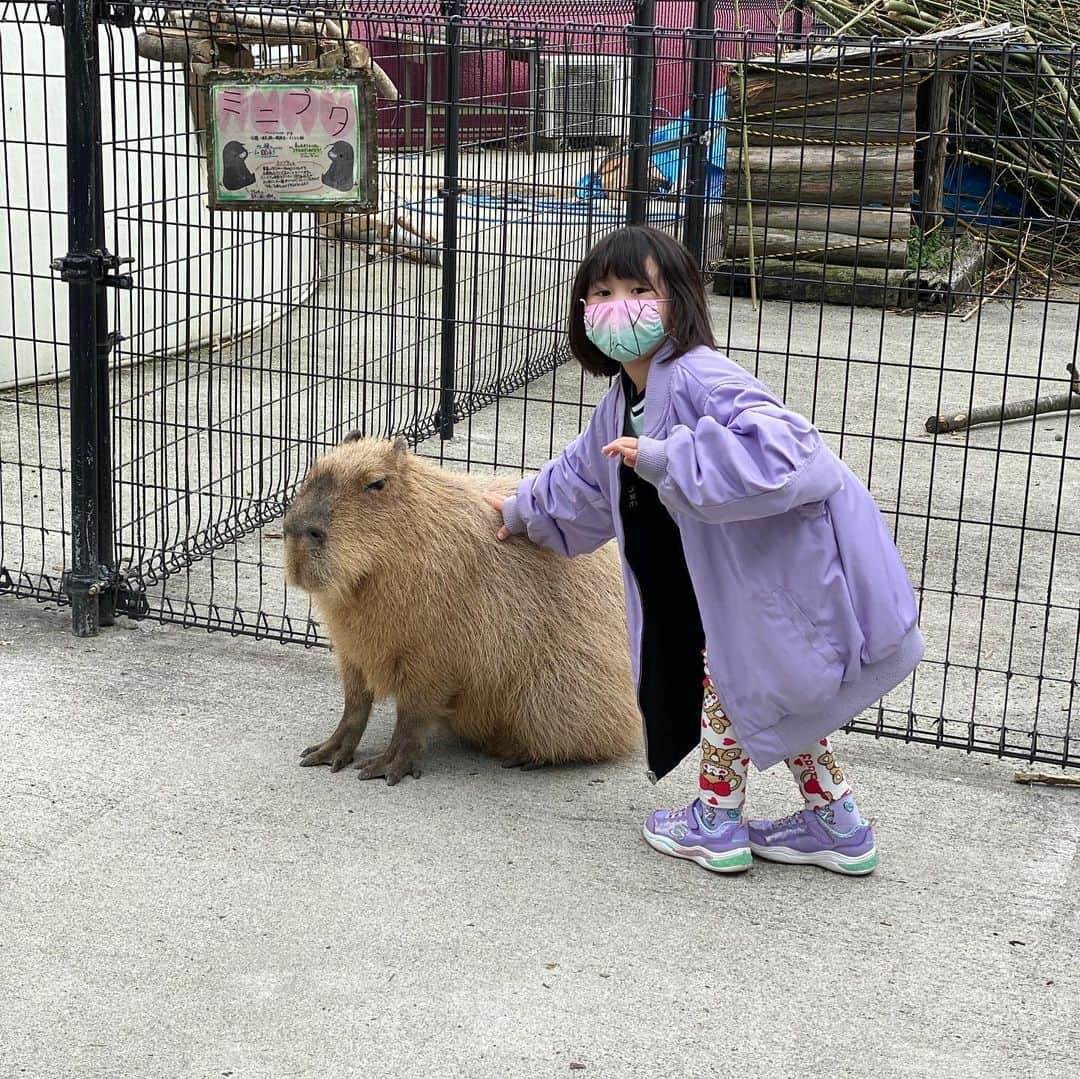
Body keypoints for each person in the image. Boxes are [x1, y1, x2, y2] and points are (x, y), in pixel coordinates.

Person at [483, 225, 923, 876]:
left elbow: (790, 452)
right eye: (601, 291)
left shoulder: (701, 376)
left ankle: (716, 821)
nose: (617, 305)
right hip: (736, 574)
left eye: (639, 290)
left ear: (678, 302)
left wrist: (669, 458)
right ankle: (839, 822)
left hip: (780, 567)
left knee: (735, 681)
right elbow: (582, 478)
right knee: (768, 692)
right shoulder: (623, 400)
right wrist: (519, 511)